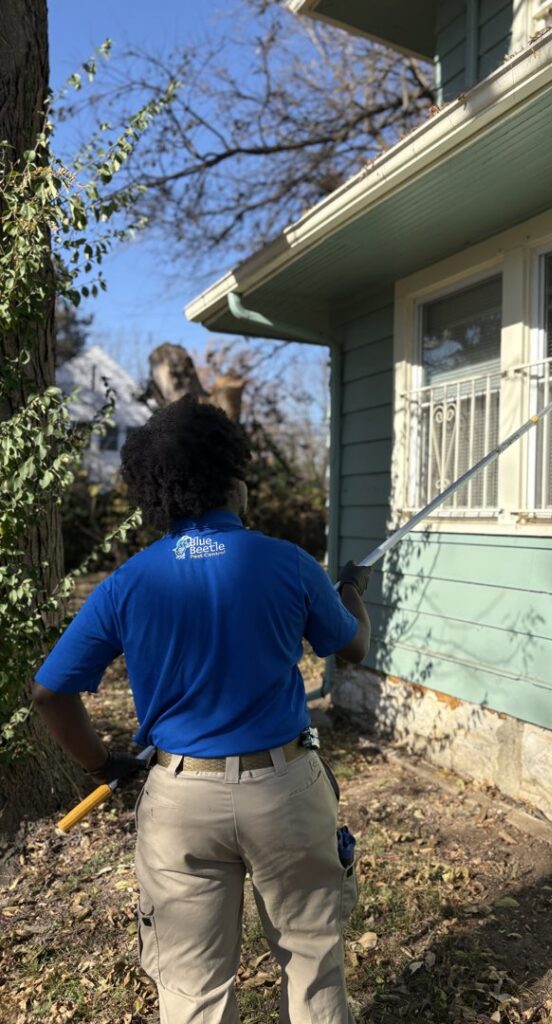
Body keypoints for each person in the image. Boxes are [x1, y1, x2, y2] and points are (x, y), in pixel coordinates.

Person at [31, 395, 371, 1024]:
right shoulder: (288, 563)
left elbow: (51, 692)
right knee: (313, 965)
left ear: (157, 495)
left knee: (193, 989)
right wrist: (350, 591)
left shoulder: (129, 581)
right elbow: (352, 647)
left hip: (180, 798)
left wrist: (102, 763)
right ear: (230, 479)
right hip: (287, 791)